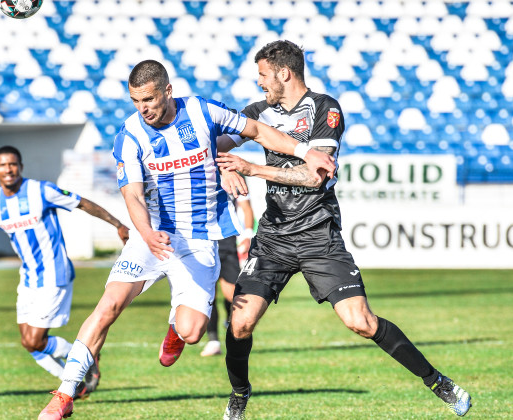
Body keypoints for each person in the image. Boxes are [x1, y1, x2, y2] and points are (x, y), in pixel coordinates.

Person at [37, 59, 337, 420]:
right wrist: (145, 232)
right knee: (109, 305)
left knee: (192, 332)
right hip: (152, 235)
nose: (143, 108)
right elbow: (131, 194)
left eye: (148, 99)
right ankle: (64, 394)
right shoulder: (130, 134)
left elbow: (256, 129)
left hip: (199, 240)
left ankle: (175, 329)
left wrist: (306, 151)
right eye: (135, 101)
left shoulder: (201, 111)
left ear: (167, 91)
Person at [216, 40, 472, 419]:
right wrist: (223, 165)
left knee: (361, 322)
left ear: (284, 73)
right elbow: (216, 144)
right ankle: (239, 394)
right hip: (273, 237)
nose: (259, 83)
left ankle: (438, 382)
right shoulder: (257, 113)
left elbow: (315, 175)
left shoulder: (325, 108)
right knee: (239, 323)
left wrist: (253, 169)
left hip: (319, 234)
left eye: (263, 75)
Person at [0, 145, 130, 399]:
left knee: (36, 340)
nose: (8, 169)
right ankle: (77, 378)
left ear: (21, 167)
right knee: (29, 343)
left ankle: (84, 360)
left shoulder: (41, 190)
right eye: (3, 165)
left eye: (13, 164)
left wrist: (118, 224)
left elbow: (81, 203)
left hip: (54, 274)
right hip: (28, 278)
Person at [201, 190, 254, 357]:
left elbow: (246, 208)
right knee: (209, 296)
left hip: (227, 242)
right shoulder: (196, 175)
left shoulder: (233, 177)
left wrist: (247, 234)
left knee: (234, 296)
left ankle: (229, 322)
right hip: (203, 242)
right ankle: (213, 341)